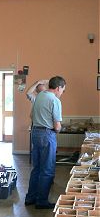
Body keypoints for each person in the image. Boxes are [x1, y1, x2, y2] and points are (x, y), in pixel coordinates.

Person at [25, 76, 66, 209]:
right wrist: (58, 130)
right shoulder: (55, 100)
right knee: (47, 170)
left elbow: (32, 115)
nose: (62, 93)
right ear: (58, 88)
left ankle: (30, 198)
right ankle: (41, 201)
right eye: (63, 90)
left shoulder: (41, 95)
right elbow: (57, 126)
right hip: (47, 135)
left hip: (35, 132)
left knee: (37, 168)